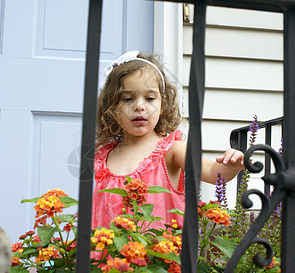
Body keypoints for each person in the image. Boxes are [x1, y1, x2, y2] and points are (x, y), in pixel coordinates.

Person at [92, 51, 245, 230]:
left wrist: (231, 165)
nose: (139, 106)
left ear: (162, 105)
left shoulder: (172, 150)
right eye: (127, 99)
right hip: (108, 255)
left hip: (159, 254)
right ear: (112, 108)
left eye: (150, 98)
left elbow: (212, 172)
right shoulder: (104, 157)